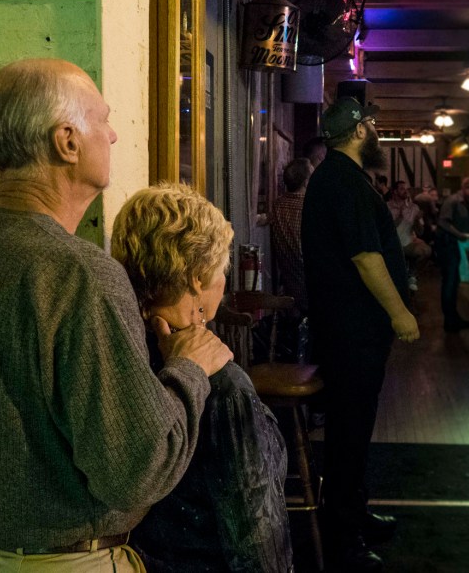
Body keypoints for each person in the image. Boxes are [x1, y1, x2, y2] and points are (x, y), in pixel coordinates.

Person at [0, 58, 232, 572]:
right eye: (104, 119)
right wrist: (189, 370)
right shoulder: (79, 274)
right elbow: (138, 470)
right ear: (67, 142)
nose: (114, 135)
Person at [111, 183, 292, 573]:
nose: (224, 279)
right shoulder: (224, 388)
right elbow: (259, 543)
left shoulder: (118, 353)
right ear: (196, 277)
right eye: (222, 267)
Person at [302, 95, 420, 573]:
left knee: (354, 427)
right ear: (356, 131)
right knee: (349, 433)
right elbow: (367, 259)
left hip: (350, 330)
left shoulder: (340, 178)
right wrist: (400, 314)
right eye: (371, 123)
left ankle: (353, 513)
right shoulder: (344, 181)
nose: (377, 131)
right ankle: (343, 539)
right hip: (351, 332)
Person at [436, 177, 469, 332]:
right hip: (449, 245)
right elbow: (443, 222)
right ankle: (449, 320)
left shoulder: (467, 203)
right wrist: (460, 234)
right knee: (450, 282)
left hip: (456, 245)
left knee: (453, 281)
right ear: (466, 188)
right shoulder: (453, 201)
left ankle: (452, 317)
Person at [272, 157, 313, 314]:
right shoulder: (311, 207)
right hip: (312, 288)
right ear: (306, 182)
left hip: (290, 288)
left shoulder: (278, 206)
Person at [387, 179, 432, 292]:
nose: (405, 191)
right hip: (393, 243)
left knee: (427, 251)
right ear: (394, 191)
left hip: (408, 242)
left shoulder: (414, 208)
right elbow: (386, 228)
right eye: (402, 189)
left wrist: (417, 221)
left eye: (406, 189)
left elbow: (420, 232)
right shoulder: (387, 207)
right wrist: (400, 216)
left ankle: (411, 274)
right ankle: (407, 275)